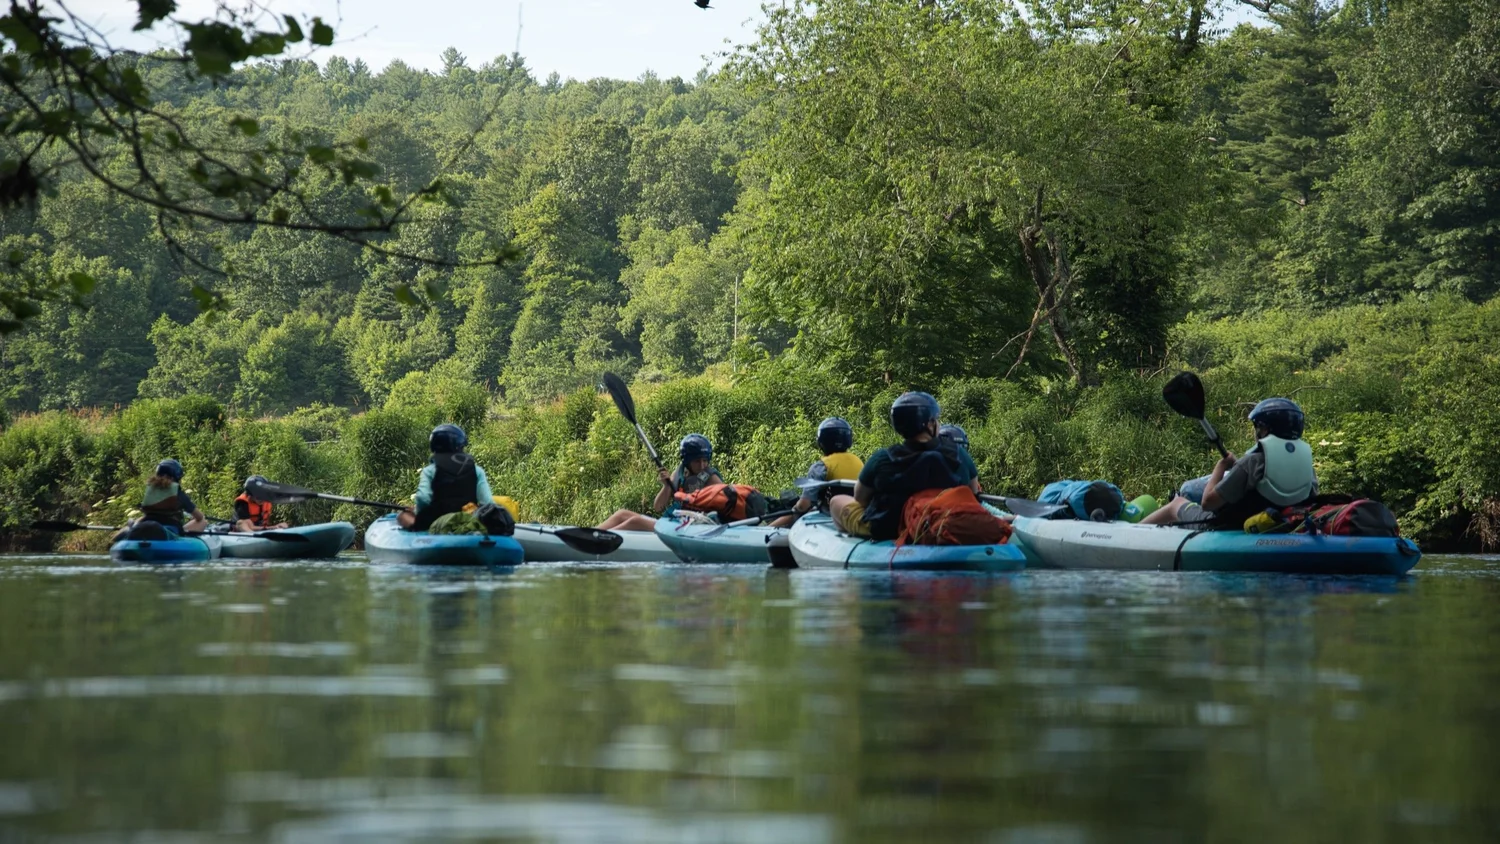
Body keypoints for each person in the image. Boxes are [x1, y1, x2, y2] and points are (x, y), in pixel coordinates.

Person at [1141, 397, 1317, 529]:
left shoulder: (1251, 462)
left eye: (1258, 427)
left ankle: (1132, 531)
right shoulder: (1307, 466)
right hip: (1277, 523)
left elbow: (1208, 503)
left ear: (1265, 429)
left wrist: (1222, 467)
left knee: (1177, 503)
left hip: (1225, 526)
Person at [829, 392, 979, 540]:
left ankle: (854, 543)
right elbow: (972, 491)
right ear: (929, 424)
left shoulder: (882, 458)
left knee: (836, 501)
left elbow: (860, 499)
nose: (938, 423)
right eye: (936, 419)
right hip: (944, 525)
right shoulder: (959, 454)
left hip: (888, 530)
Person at [597, 434, 723, 532]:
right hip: (672, 522)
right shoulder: (679, 473)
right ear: (687, 461)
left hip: (689, 528)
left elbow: (724, 506)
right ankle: (589, 533)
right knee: (622, 514)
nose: (702, 465)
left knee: (635, 521)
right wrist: (667, 486)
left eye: (705, 460)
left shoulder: (711, 478)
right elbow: (658, 507)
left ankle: (597, 541)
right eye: (697, 461)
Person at [770, 417, 864, 527]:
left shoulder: (821, 466)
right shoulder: (858, 461)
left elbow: (803, 505)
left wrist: (795, 508)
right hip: (856, 512)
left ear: (821, 442)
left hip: (830, 514)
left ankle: (766, 530)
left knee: (796, 512)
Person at [398, 424, 495, 531]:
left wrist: (416, 511)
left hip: (436, 523)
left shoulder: (430, 471)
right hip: (466, 522)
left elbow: (423, 499)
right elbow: (487, 502)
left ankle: (418, 533)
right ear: (460, 446)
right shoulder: (477, 470)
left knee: (403, 516)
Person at [123, 458, 208, 538]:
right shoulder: (178, 493)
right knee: (203, 521)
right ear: (176, 477)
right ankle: (184, 541)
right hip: (170, 530)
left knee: (136, 521)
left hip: (147, 523)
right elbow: (199, 517)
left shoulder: (151, 490)